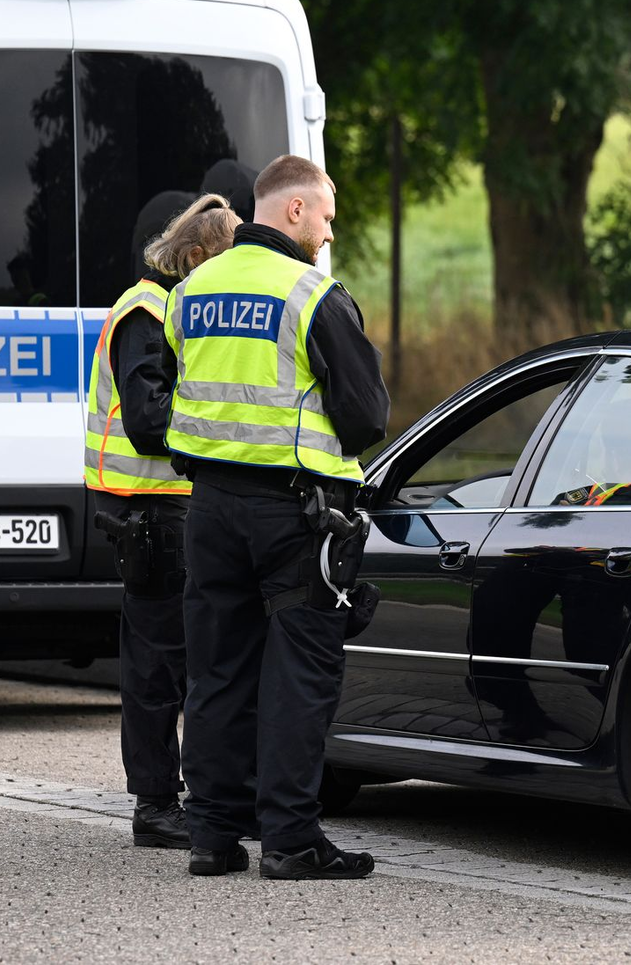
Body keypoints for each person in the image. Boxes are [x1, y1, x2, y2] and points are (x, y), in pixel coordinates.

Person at [161, 154, 390, 880]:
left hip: (210, 509)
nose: (329, 231)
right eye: (324, 214)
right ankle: (290, 840)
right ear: (293, 210)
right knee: (299, 673)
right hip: (293, 514)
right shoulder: (309, 294)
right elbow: (367, 414)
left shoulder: (190, 289)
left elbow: (178, 383)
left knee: (217, 670)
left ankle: (211, 836)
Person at [85, 193, 241, 849]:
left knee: (179, 654)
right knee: (156, 662)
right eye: (224, 266)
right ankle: (155, 803)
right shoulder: (146, 313)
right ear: (196, 256)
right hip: (148, 505)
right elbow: (151, 423)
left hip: (163, 503)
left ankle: (185, 797)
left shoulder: (166, 309)